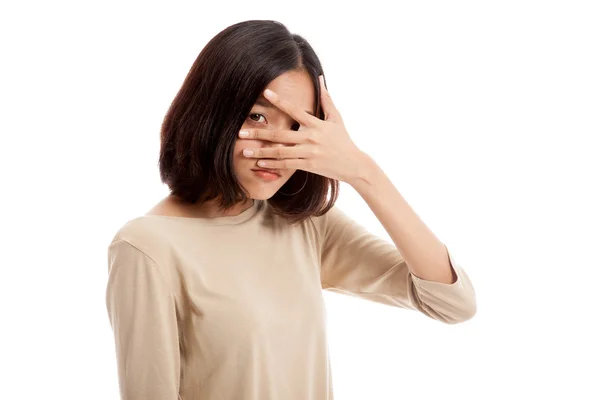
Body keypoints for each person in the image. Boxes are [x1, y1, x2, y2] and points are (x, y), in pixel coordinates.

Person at [105, 19, 476, 400]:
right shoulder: (146, 247)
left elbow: (451, 302)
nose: (277, 147)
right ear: (212, 112)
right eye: (257, 116)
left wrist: (363, 172)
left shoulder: (306, 225)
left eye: (297, 126)